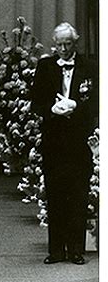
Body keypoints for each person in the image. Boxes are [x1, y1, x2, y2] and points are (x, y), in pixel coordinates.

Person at [31, 22, 98, 265]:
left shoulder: (90, 67)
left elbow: (99, 101)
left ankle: (76, 250)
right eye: (59, 45)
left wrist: (76, 106)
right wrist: (52, 109)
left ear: (75, 43)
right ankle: (56, 251)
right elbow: (35, 101)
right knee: (55, 196)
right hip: (54, 141)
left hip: (79, 141)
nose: (63, 49)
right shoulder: (46, 66)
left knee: (78, 196)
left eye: (67, 44)